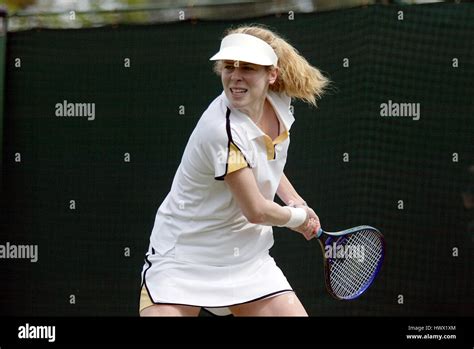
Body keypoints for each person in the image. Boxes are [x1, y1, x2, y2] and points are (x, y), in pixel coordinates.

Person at [140, 25, 329, 316]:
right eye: (229, 66)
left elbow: (267, 160)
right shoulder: (221, 131)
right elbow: (256, 210)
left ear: (272, 75)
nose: (236, 76)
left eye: (249, 68)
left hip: (247, 260)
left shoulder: (279, 103)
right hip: (183, 259)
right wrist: (298, 218)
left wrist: (294, 200)